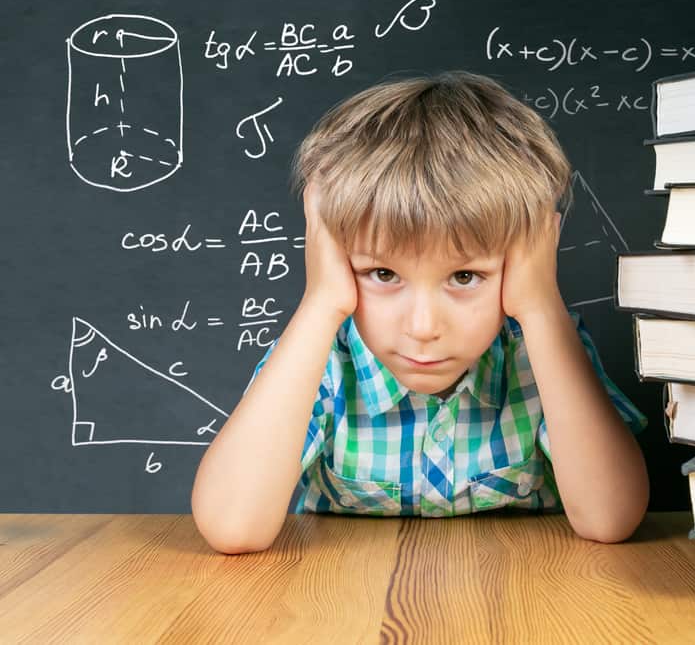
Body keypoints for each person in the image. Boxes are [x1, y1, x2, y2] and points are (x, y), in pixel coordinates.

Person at [191, 71, 649, 554]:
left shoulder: (540, 352)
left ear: (524, 260)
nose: (423, 328)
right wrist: (321, 300)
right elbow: (232, 527)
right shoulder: (320, 362)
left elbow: (610, 518)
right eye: (383, 274)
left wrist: (539, 305)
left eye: (465, 277)